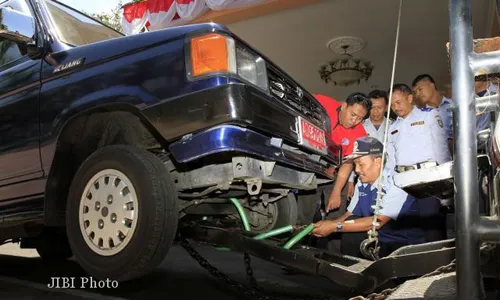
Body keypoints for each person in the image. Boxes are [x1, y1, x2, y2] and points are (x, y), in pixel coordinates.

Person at [312, 136, 425, 258]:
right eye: (355, 165)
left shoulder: (397, 183)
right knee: (350, 224)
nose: (357, 170)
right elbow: (349, 215)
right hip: (377, 240)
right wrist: (325, 224)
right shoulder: (362, 182)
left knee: (346, 229)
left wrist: (334, 227)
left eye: (360, 164)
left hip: (401, 246)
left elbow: (377, 222)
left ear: (377, 162)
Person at [297, 92, 371, 252]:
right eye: (353, 114)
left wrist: (336, 192)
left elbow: (347, 164)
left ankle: (333, 257)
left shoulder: (360, 134)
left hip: (338, 171)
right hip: (310, 167)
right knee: (304, 214)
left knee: (336, 216)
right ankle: (298, 252)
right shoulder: (321, 103)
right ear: (343, 105)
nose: (354, 121)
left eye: (360, 118)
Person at [386, 83, 451, 242]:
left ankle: (439, 262)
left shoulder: (428, 115)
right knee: (408, 228)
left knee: (431, 229)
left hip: (426, 180)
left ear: (409, 98)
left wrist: (447, 179)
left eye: (398, 102)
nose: (396, 107)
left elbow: (441, 146)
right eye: (392, 104)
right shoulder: (393, 127)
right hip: (402, 182)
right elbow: (391, 159)